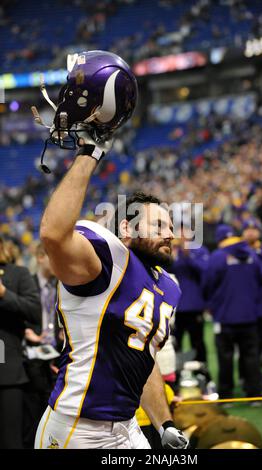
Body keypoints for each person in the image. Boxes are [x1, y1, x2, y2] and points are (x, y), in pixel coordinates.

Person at [35, 128, 189, 449]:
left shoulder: (168, 286)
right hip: (79, 427)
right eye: (159, 225)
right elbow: (53, 234)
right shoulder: (108, 260)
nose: (169, 234)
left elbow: (143, 361)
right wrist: (90, 152)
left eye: (171, 227)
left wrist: (164, 423)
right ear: (125, 228)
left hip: (128, 425)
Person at [206, 224, 262, 400]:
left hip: (225, 316)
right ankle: (254, 394)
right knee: (251, 356)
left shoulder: (217, 256)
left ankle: (227, 395)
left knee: (225, 357)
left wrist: (213, 304)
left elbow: (207, 283)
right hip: (249, 315)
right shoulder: (252, 254)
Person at [0, 236, 41, 449]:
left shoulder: (18, 274)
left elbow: (35, 312)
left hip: (7, 373)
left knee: (10, 441)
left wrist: (4, 293)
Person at [23, 243, 62, 448]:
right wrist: (25, 331)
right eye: (52, 256)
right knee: (31, 418)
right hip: (30, 358)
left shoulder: (62, 286)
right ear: (40, 257)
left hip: (55, 357)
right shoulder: (26, 284)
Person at [171, 232, 210, 363]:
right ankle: (175, 374)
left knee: (197, 342)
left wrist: (188, 255)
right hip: (174, 307)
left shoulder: (199, 250)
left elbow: (205, 270)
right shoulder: (171, 249)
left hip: (194, 305)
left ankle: (202, 372)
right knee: (173, 343)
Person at [241, 219, 262, 355]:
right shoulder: (240, 252)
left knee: (261, 341)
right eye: (247, 230)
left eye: (254, 229)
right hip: (246, 305)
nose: (250, 233)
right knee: (246, 344)